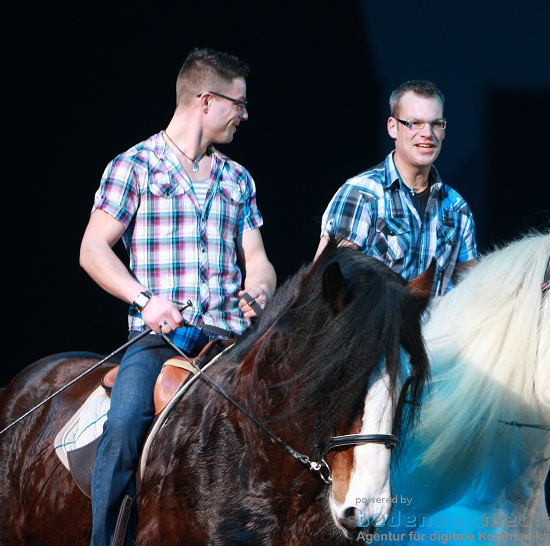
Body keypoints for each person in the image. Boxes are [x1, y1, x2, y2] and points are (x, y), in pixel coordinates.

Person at [79, 47, 276, 546]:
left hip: (230, 343)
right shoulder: (135, 166)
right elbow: (92, 248)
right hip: (162, 341)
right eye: (239, 103)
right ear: (206, 101)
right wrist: (145, 299)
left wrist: (260, 287)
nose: (245, 115)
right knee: (123, 431)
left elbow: (257, 257)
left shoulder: (238, 179)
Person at [316, 79, 477, 296]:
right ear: (393, 127)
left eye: (436, 124)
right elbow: (326, 284)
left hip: (439, 329)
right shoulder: (362, 194)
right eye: (415, 123)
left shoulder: (457, 209)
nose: (427, 133)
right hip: (376, 329)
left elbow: (473, 290)